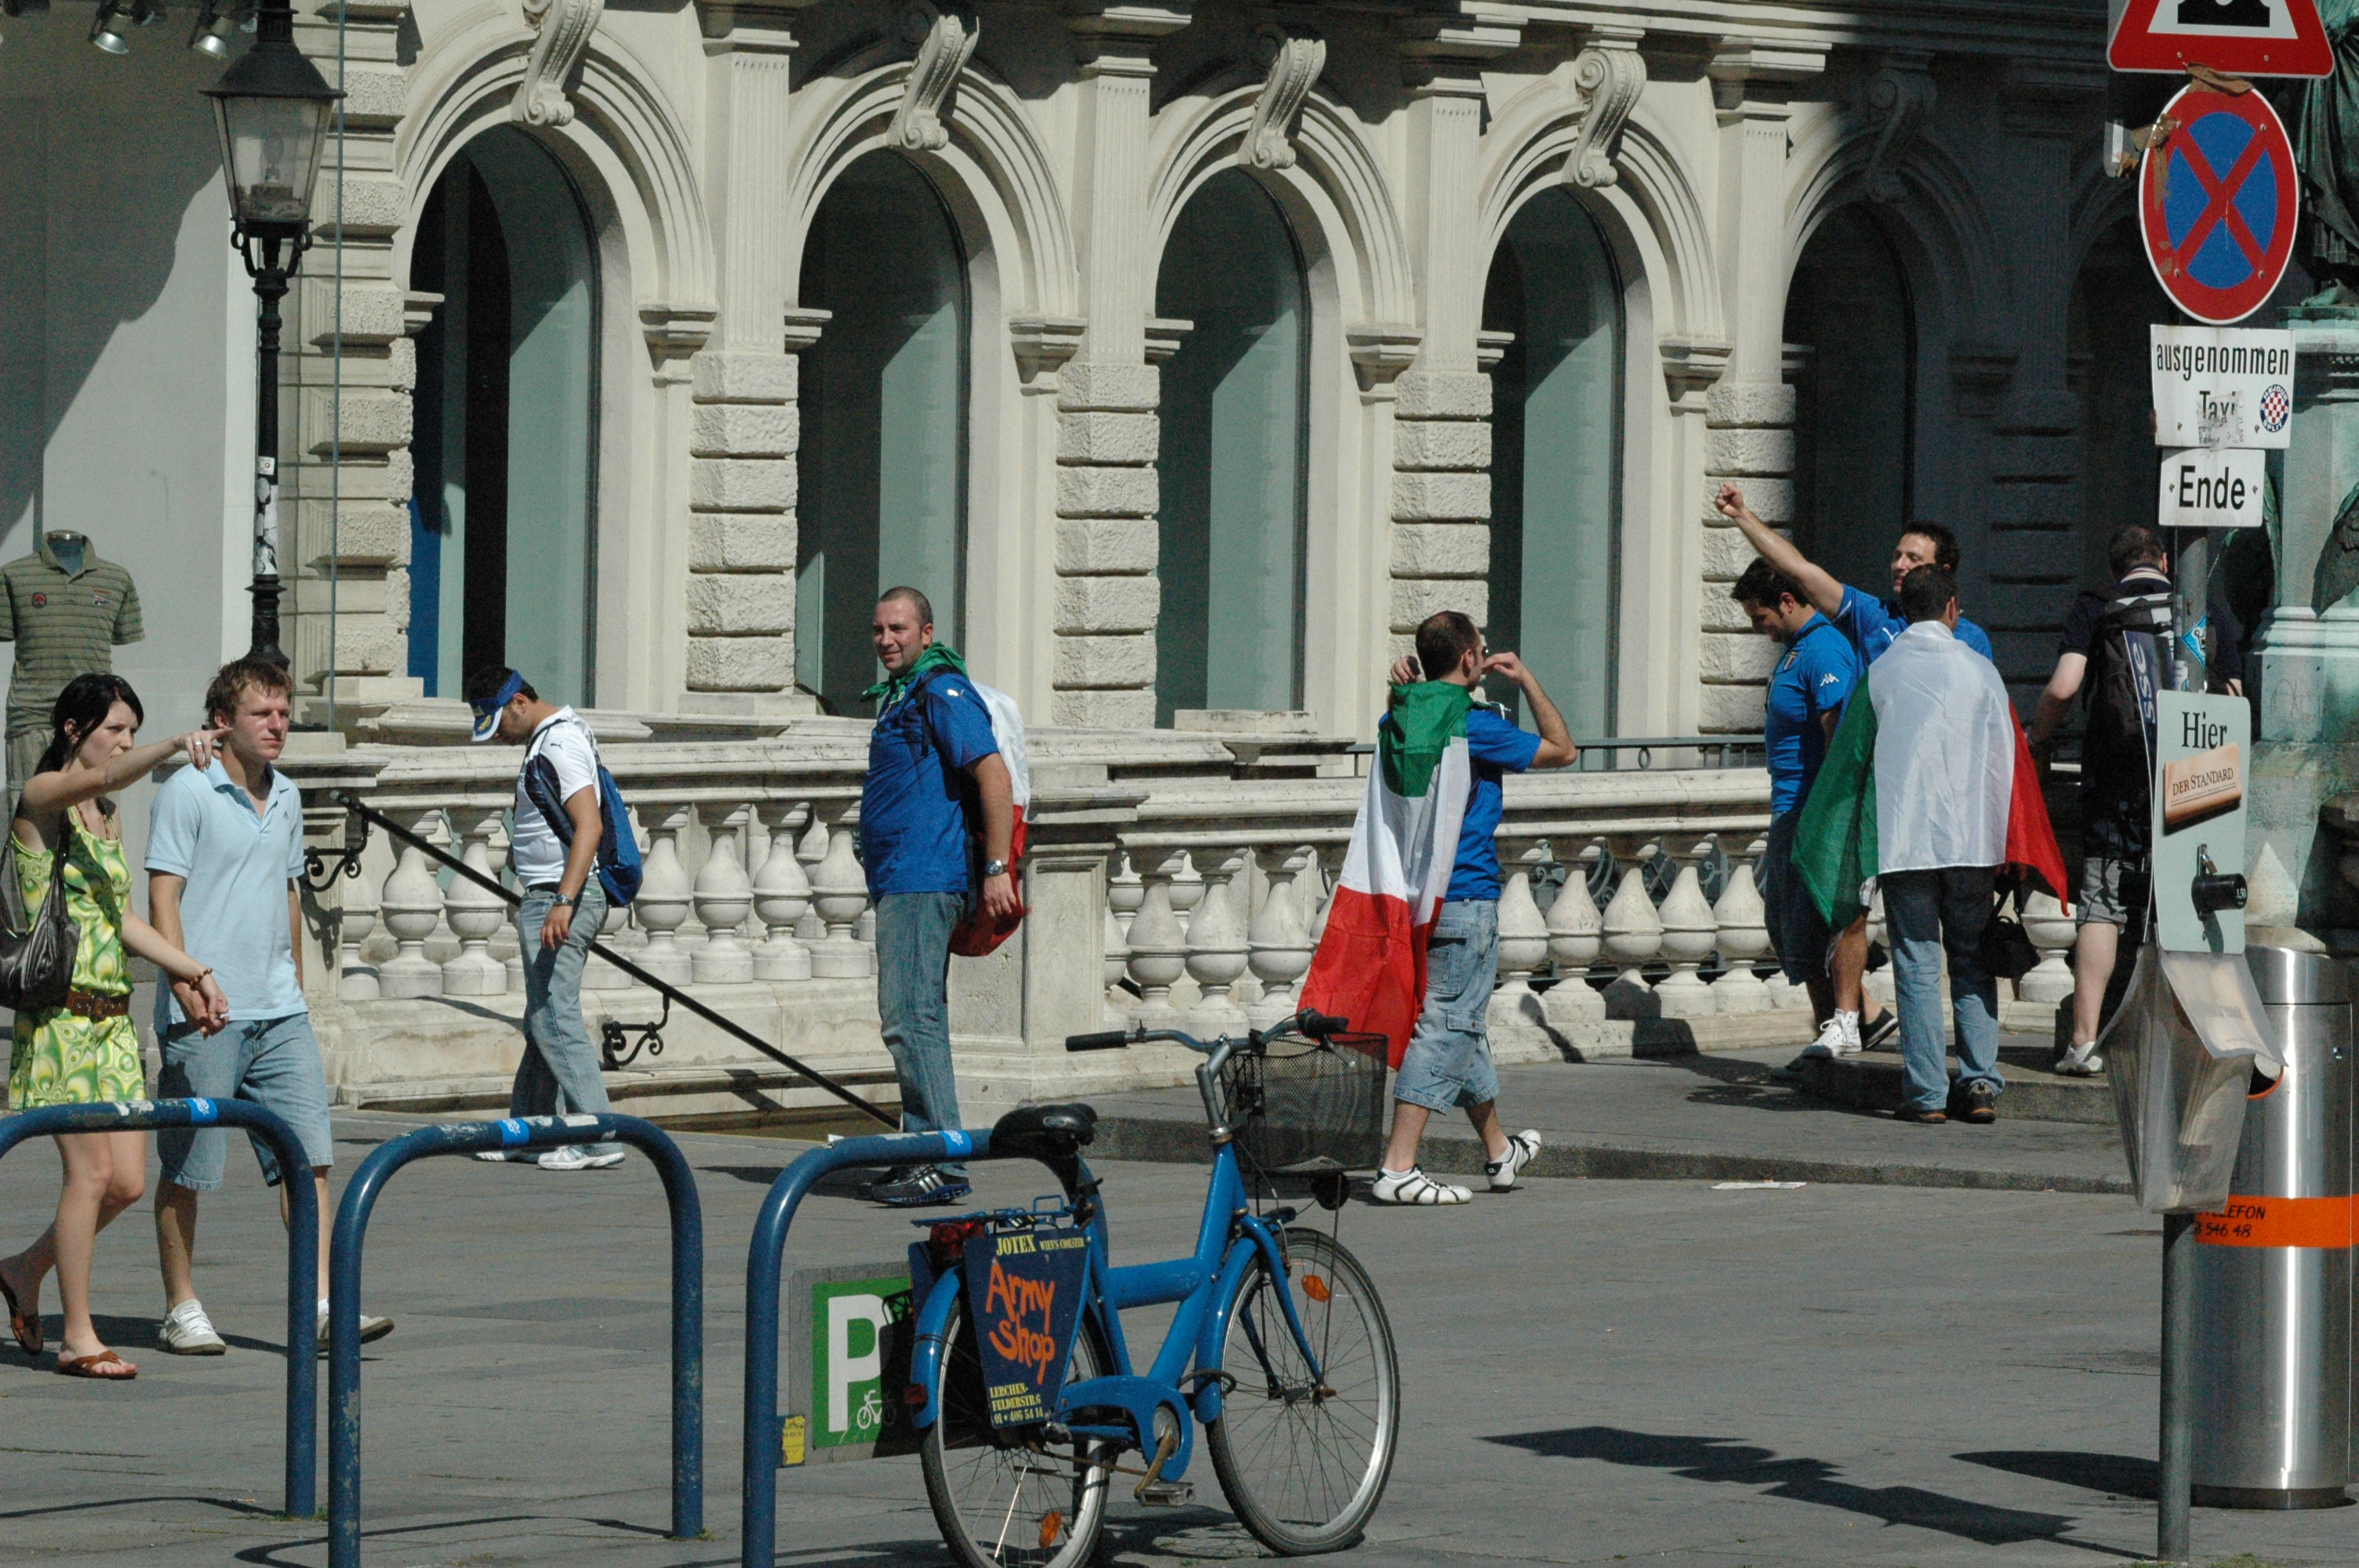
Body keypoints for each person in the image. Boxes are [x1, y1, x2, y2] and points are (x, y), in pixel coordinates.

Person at [149, 657, 394, 1355]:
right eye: (263, 713)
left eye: (284, 713)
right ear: (222, 720)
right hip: (206, 1010)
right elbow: (163, 896)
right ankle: (182, 1308)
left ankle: (321, 1305)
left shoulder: (287, 795)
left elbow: (291, 892)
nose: (278, 725)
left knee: (310, 1161)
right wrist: (184, 985)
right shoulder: (187, 789)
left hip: (280, 1011)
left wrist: (296, 985)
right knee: (190, 1168)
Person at [0, 674, 227, 1378]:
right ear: (74, 730)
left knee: (126, 1183)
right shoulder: (42, 798)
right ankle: (78, 1337)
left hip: (113, 1024)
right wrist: (174, 746)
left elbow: (119, 917)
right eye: (114, 729)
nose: (125, 743)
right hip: (61, 1020)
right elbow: (107, 775)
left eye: (134, 730)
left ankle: (22, 1269)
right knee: (91, 1174)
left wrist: (193, 970)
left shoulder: (105, 812)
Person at [1369, 612, 1576, 1205]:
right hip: (1467, 896)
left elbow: (1415, 731)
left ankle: (1500, 1151)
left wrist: (1405, 691)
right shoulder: (1475, 723)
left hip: (1419, 899)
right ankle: (1398, 1167)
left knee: (1464, 1027)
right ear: (1469, 660)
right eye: (1480, 650)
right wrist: (1526, 679)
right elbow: (1563, 751)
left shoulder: (1399, 716)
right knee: (1447, 1026)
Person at [2028, 525, 2243, 1076]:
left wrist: (2039, 740)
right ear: (2164, 561)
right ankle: (2196, 1040)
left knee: (2103, 900)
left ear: (2115, 568)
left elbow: (2063, 687)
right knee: (2191, 899)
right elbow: (2233, 697)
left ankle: (2083, 1042)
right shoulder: (2203, 606)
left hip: (2118, 777)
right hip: (2197, 775)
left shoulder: (2097, 606)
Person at [858, 588, 1019, 1208]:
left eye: (898, 628)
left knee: (911, 1017)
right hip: (902, 876)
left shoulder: (942, 690)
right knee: (911, 1016)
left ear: (927, 633)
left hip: (924, 877)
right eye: (878, 629)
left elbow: (992, 774)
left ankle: (941, 1161)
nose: (886, 640)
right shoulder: (903, 694)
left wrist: (997, 869)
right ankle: (921, 1150)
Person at [1728, 559, 1892, 1063]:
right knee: (1789, 928)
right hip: (1790, 807)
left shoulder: (1824, 649)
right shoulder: (1797, 650)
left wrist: (1830, 816)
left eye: (1760, 618)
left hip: (1811, 810)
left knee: (1808, 928)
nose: (1759, 629)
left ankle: (1841, 1031)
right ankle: (1863, 1018)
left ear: (1786, 602)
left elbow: (1838, 732)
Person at [463, 666, 627, 1172]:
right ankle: (531, 1132)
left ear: (518, 702)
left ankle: (597, 1136)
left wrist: (564, 899)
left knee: (554, 1015)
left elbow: (589, 826)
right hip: (552, 894)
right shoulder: (552, 738)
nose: (499, 737)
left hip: (561, 896)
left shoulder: (558, 742)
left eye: (499, 724)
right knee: (544, 1017)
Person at [1712, 484, 1997, 664]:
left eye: (1913, 559)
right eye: (1896, 556)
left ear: (1942, 573)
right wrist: (1742, 515)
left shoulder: (1971, 640)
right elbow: (1800, 571)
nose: (1899, 565)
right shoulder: (1874, 616)